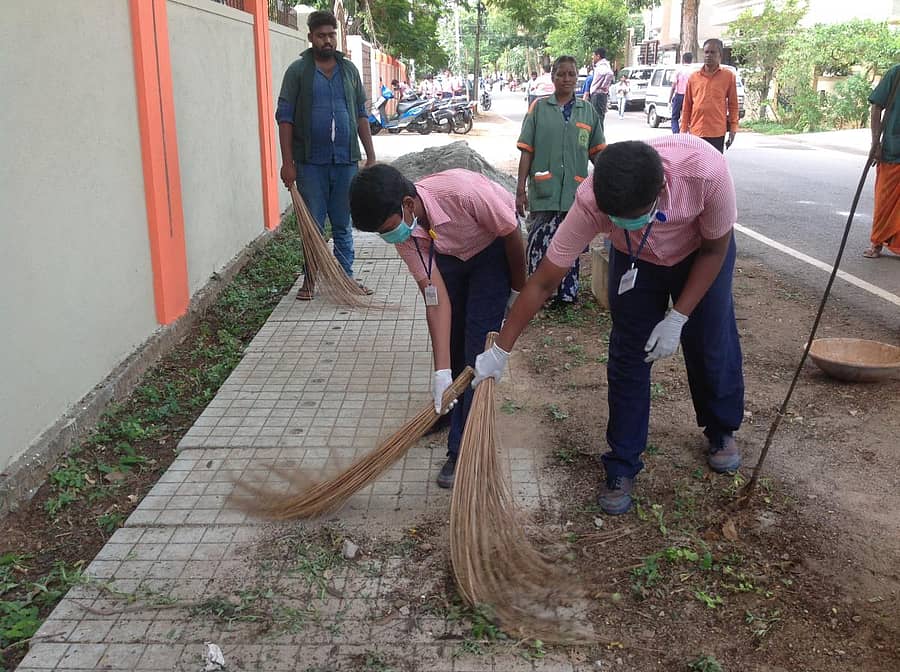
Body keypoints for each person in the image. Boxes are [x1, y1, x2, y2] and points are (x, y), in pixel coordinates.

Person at [474, 136, 745, 515]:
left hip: (701, 255)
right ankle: (622, 463)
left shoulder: (705, 172)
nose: (621, 223)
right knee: (628, 356)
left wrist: (679, 316)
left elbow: (716, 249)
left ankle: (721, 429)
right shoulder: (593, 199)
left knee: (710, 339)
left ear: (661, 190)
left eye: (632, 216)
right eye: (615, 219)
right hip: (638, 263)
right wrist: (501, 350)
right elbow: (544, 280)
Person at [349, 165, 527, 489]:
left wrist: (518, 290)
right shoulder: (405, 233)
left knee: (477, 350)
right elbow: (435, 299)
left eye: (388, 228)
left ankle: (463, 449)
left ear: (408, 204)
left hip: (491, 251)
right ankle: (447, 407)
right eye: (382, 233)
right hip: (446, 253)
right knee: (454, 340)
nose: (389, 237)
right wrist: (441, 372)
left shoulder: (463, 194)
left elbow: (513, 234)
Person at [276, 10, 376, 300]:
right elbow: (284, 118)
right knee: (313, 226)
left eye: (331, 34)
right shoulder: (298, 72)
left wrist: (370, 155)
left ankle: (346, 279)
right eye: (321, 36)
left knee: (344, 224)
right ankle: (310, 280)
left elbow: (360, 114)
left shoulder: (349, 71)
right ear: (311, 38)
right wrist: (287, 163)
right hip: (310, 163)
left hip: (345, 161)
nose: (328, 40)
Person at [516, 55, 606, 304]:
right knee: (539, 244)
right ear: (553, 77)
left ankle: (567, 295)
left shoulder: (587, 111)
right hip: (544, 191)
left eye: (571, 74)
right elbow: (527, 150)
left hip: (575, 195)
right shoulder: (538, 108)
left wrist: (610, 182)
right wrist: (520, 190)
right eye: (561, 74)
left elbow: (598, 153)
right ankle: (539, 295)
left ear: (578, 78)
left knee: (571, 247)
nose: (566, 79)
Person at [863, 62, 900, 259]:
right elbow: (876, 107)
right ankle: (876, 242)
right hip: (893, 150)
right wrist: (875, 142)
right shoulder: (896, 73)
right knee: (884, 201)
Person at [680, 39, 738, 153]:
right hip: (696, 131)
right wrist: (683, 130)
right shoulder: (693, 77)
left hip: (717, 132)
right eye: (706, 52)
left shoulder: (728, 76)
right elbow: (687, 106)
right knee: (696, 167)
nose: (708, 55)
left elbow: (733, 105)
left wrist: (733, 129)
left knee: (713, 168)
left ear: (719, 55)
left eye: (712, 52)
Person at [587, 48, 614, 135]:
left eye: (593, 56)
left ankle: (599, 140)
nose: (593, 57)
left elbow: (610, 73)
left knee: (597, 118)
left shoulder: (602, 66)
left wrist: (603, 86)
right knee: (596, 118)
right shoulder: (602, 65)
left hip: (598, 95)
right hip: (598, 94)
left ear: (598, 56)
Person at [669, 52, 694, 134]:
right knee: (689, 117)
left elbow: (673, 86)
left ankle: (676, 134)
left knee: (675, 117)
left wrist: (669, 99)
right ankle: (688, 134)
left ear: (683, 59)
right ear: (691, 60)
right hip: (690, 97)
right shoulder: (694, 71)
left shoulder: (678, 70)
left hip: (679, 95)